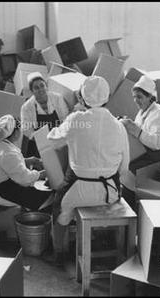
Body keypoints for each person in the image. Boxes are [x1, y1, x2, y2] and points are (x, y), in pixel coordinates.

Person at [47, 76, 130, 265]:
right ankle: (103, 243)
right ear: (107, 98)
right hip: (110, 192)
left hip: (77, 191)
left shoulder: (76, 120)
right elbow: (124, 168)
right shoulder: (119, 126)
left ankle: (59, 253)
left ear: (82, 99)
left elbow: (53, 141)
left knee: (59, 207)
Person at [0, 114, 53, 211]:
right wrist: (43, 174)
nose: (21, 132)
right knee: (45, 198)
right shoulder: (7, 153)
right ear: (15, 133)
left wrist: (28, 160)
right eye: (19, 129)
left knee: (35, 190)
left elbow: (9, 165)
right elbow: (24, 179)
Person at [119, 75, 160, 174]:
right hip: (147, 152)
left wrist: (136, 130)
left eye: (139, 97)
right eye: (134, 97)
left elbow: (157, 144)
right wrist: (129, 124)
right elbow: (141, 128)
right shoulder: (143, 110)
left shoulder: (159, 115)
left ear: (149, 97)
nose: (135, 100)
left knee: (129, 169)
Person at [21, 72, 70, 158]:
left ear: (46, 86)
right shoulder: (27, 107)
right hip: (41, 144)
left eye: (42, 86)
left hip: (59, 138)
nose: (40, 90)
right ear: (31, 91)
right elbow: (26, 128)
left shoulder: (57, 98)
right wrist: (40, 141)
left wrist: (59, 137)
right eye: (36, 88)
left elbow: (65, 118)